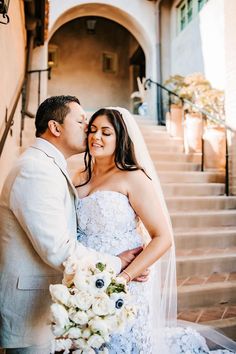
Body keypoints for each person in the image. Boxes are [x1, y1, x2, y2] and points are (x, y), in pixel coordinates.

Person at [74, 107, 236, 353]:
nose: (97, 137)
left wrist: (123, 278)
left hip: (125, 282)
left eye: (106, 132)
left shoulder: (133, 177)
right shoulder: (78, 175)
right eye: (93, 130)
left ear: (120, 138)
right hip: (85, 275)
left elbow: (163, 237)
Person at [0, 96, 143, 354]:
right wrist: (117, 263)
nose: (88, 128)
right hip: (29, 312)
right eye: (80, 121)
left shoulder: (51, 165)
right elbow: (57, 248)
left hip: (46, 306)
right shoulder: (36, 170)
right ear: (56, 128)